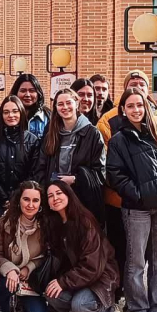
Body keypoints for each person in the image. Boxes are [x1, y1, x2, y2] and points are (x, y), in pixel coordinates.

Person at [106, 88, 157, 312]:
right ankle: (137, 309)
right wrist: (138, 195)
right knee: (136, 261)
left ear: (146, 106)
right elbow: (115, 174)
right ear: (123, 110)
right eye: (130, 106)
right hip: (136, 208)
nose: (136, 110)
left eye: (140, 105)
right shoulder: (119, 139)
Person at [44, 181, 119, 312]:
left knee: (81, 305)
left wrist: (63, 282)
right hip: (77, 279)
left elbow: (92, 266)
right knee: (50, 293)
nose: (55, 198)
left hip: (98, 277)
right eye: (50, 196)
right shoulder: (56, 223)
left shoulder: (85, 222)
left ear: (69, 195)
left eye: (59, 193)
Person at [35, 88, 105, 222]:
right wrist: (47, 190)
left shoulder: (92, 134)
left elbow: (100, 172)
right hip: (55, 201)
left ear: (76, 104)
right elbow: (41, 167)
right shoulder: (51, 134)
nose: (65, 107)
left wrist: (75, 179)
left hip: (82, 200)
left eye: (68, 102)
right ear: (55, 107)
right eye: (60, 104)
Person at [0, 181, 51, 312]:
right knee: (5, 278)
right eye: (26, 199)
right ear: (19, 200)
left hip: (31, 276)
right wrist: (11, 269)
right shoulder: (3, 222)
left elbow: (46, 255)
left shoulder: (46, 225)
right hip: (8, 273)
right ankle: (2, 305)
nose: (30, 204)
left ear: (41, 203)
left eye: (35, 200)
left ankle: (21, 301)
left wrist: (29, 268)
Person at [0, 95, 40, 208]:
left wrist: (17, 197)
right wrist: (4, 198)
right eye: (6, 112)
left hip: (23, 201)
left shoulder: (32, 140)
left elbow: (34, 172)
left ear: (21, 113)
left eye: (15, 111)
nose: (11, 115)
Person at [0, 73, 51, 139]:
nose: (27, 94)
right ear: (16, 93)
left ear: (38, 93)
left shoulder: (48, 117)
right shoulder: (0, 119)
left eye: (32, 91)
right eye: (23, 91)